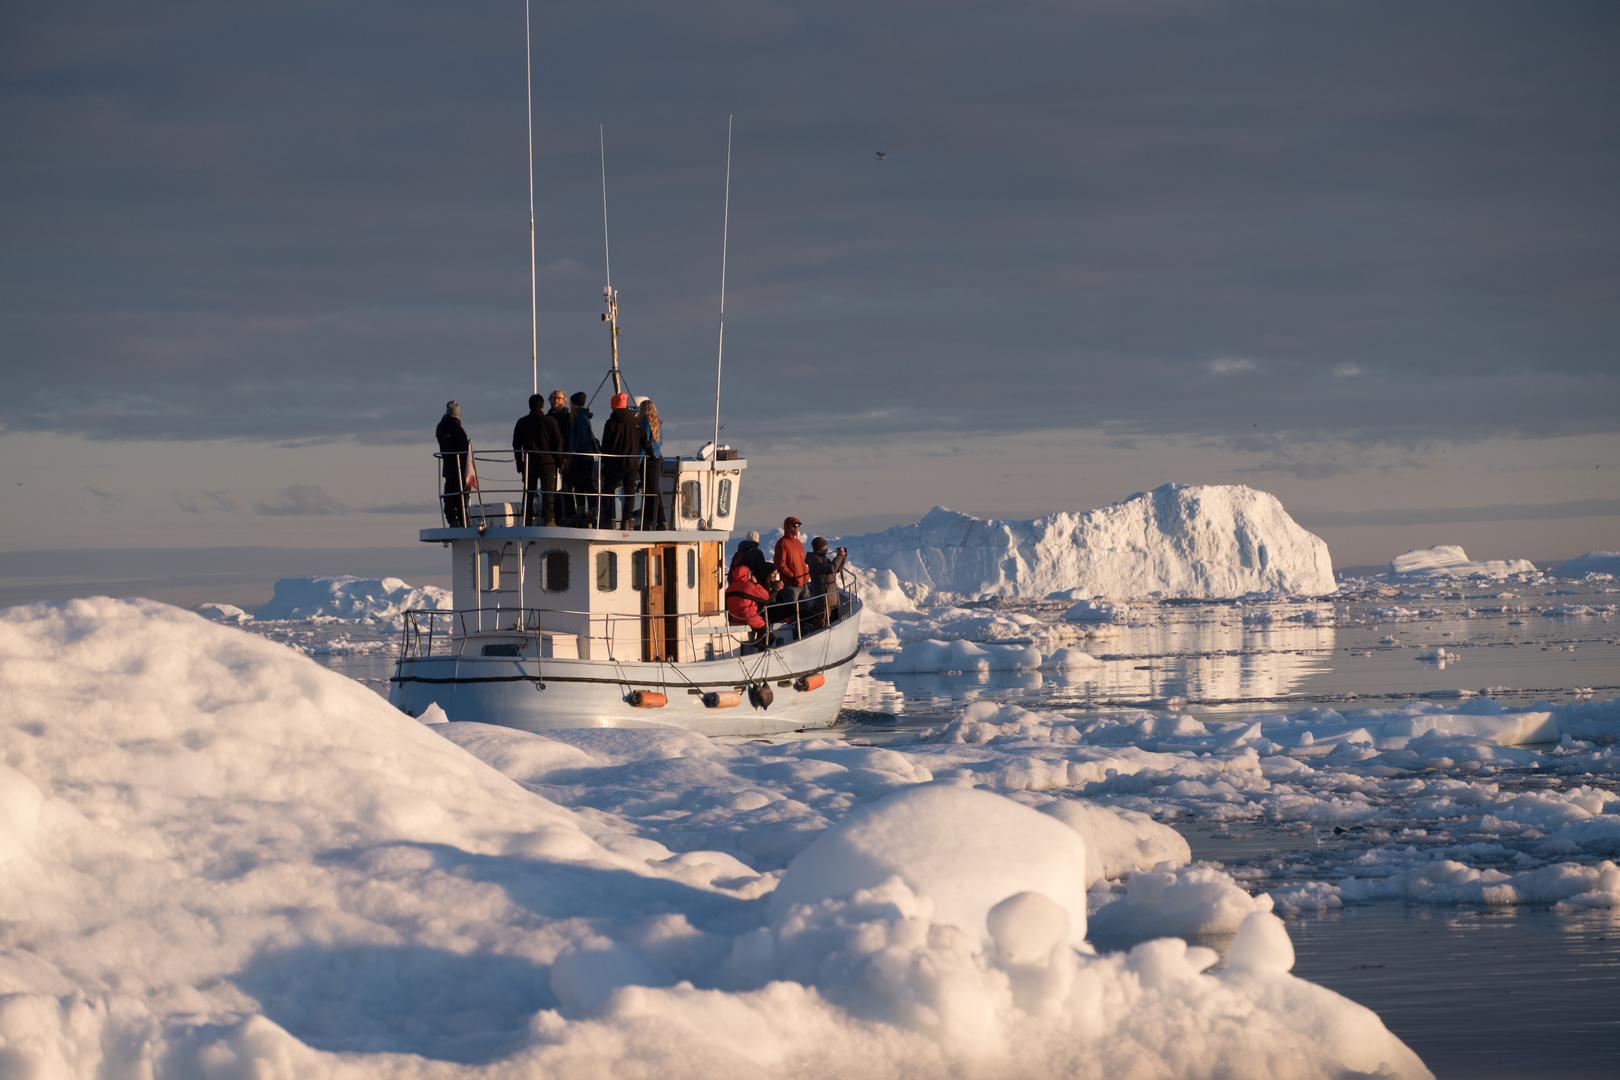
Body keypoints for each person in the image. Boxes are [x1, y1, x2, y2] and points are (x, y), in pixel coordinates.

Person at [598, 392, 650, 529]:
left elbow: (606, 445)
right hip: (632, 464)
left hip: (616, 463)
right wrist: (652, 455)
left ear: (614, 405)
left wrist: (604, 463)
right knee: (630, 492)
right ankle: (627, 520)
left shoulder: (611, 422)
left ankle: (607, 520)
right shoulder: (635, 421)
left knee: (607, 491)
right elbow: (644, 440)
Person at [512, 393, 563, 526]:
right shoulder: (550, 421)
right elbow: (558, 443)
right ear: (542, 406)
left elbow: (516, 445)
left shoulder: (522, 422)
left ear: (530, 406)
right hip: (548, 463)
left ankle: (527, 519)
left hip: (530, 464)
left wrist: (520, 464)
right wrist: (560, 462)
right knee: (548, 493)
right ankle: (549, 519)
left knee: (529, 492)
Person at [773, 515, 810, 637]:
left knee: (806, 612)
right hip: (791, 585)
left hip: (803, 583)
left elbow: (802, 561)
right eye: (794, 525)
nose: (796, 528)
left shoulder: (798, 543)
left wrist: (806, 574)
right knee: (793, 613)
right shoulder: (782, 543)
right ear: (787, 527)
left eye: (798, 525)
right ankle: (794, 638)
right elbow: (780, 564)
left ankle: (806, 635)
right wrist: (792, 576)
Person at [566, 392, 599, 527]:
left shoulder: (580, 419)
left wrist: (575, 452)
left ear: (573, 404)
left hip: (582, 458)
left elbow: (582, 438)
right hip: (581, 457)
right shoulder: (582, 418)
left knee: (584, 483)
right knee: (580, 483)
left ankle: (589, 509)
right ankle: (584, 509)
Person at [435, 401, 470, 527]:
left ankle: (453, 519)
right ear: (458, 415)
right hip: (459, 469)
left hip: (448, 468)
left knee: (450, 495)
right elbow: (464, 450)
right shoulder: (457, 429)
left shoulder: (440, 428)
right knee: (460, 497)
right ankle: (464, 521)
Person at [635, 397, 669, 530]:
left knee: (651, 492)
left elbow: (644, 445)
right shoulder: (658, 423)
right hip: (657, 459)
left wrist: (637, 462)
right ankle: (649, 521)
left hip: (647, 461)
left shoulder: (644, 423)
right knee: (652, 492)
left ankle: (661, 522)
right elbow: (659, 443)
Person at [725, 563, 773, 654]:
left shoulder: (729, 589)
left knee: (764, 623)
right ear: (746, 575)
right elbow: (765, 596)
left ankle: (760, 644)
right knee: (771, 637)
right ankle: (760, 648)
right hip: (749, 618)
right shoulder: (748, 586)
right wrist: (755, 583)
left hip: (736, 618)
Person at [806, 536, 849, 627]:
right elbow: (831, 568)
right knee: (826, 624)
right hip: (824, 600)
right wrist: (839, 555)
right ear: (819, 548)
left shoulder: (822, 559)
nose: (827, 550)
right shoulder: (815, 560)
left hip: (831, 598)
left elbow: (837, 569)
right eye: (825, 547)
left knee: (834, 623)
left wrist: (843, 557)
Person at [546, 389, 575, 519]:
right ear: (549, 400)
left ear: (564, 401)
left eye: (559, 399)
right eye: (554, 398)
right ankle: (554, 516)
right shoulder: (547, 418)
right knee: (552, 489)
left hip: (564, 457)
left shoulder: (567, 417)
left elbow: (568, 436)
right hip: (550, 459)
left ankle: (569, 515)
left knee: (566, 488)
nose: (556, 401)